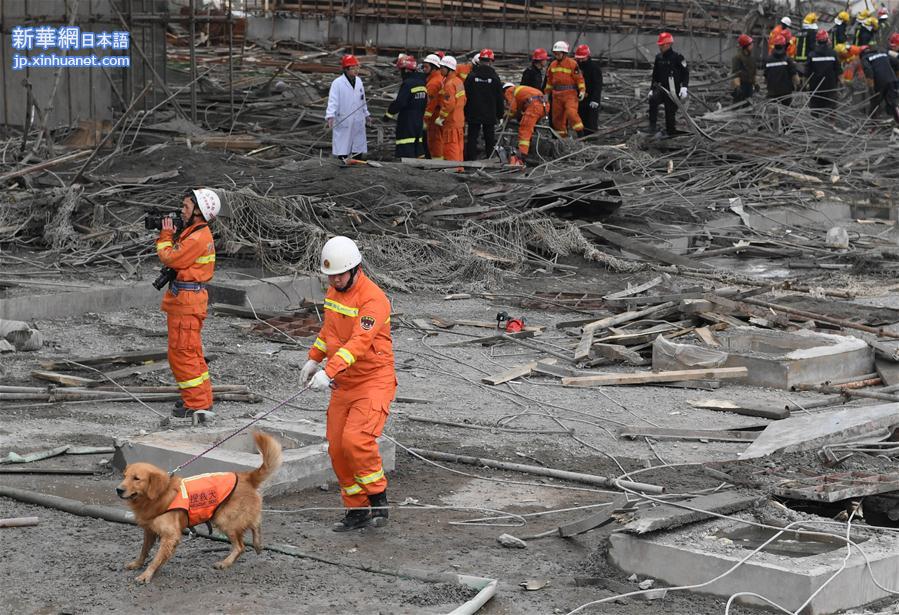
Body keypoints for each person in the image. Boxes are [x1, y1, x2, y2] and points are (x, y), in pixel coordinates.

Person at [299, 236, 396, 532]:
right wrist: (314, 358)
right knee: (338, 447)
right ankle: (356, 510)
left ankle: (378, 498)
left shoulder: (373, 300)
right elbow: (330, 331)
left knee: (357, 440)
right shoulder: (334, 293)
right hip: (345, 381)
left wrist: (329, 371)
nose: (335, 280)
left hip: (372, 381)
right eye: (331, 276)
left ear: (355, 269)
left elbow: (359, 343)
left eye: (340, 275)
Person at [155, 189, 220, 421]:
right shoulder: (196, 232)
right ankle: (200, 398)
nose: (181, 211)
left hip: (186, 304)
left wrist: (164, 236)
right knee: (191, 352)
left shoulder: (197, 237)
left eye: (185, 207)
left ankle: (196, 404)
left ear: (199, 212)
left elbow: (170, 257)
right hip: (187, 302)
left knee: (182, 354)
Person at [326, 55, 371, 161]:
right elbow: (333, 101)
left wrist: (366, 113)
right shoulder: (337, 83)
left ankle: (357, 161)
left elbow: (362, 99)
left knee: (358, 142)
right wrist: (330, 115)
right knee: (343, 144)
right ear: (346, 69)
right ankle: (343, 162)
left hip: (358, 117)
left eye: (357, 67)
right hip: (344, 117)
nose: (356, 70)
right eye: (353, 68)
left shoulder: (359, 81)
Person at [464, 48, 504, 160]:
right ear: (491, 61)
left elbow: (465, 95)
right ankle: (489, 159)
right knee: (489, 138)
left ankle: (470, 160)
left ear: (480, 60)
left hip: (473, 112)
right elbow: (499, 98)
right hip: (489, 113)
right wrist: (500, 115)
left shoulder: (471, 76)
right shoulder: (495, 78)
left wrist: (465, 112)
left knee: (472, 137)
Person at [385, 55, 427, 159]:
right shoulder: (422, 82)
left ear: (406, 70)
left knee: (405, 145)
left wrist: (388, 114)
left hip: (407, 121)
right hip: (419, 120)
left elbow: (400, 102)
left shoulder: (408, 84)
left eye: (401, 71)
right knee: (418, 146)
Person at [648, 32, 689, 135]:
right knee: (653, 100)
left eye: (662, 45)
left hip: (673, 90)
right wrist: (652, 89)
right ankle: (652, 127)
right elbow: (655, 75)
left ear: (668, 44)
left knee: (669, 112)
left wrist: (684, 87)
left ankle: (670, 132)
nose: (660, 47)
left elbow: (685, 73)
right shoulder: (659, 58)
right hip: (662, 88)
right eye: (660, 45)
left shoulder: (678, 57)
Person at [544, 40, 585, 137]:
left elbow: (579, 79)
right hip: (556, 95)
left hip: (570, 94)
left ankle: (581, 135)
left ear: (564, 53)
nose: (556, 55)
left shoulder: (572, 64)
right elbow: (549, 81)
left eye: (558, 54)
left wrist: (582, 91)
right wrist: (546, 93)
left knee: (571, 113)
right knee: (557, 119)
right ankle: (562, 140)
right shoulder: (552, 65)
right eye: (555, 54)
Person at [502, 82, 548, 164]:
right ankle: (530, 150)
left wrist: (506, 118)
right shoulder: (521, 91)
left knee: (525, 129)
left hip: (534, 106)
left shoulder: (508, 91)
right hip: (544, 106)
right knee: (531, 129)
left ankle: (522, 155)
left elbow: (512, 109)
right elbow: (519, 110)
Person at [435, 55, 466, 162]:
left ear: (448, 69)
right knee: (459, 146)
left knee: (450, 146)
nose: (440, 70)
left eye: (442, 68)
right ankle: (459, 167)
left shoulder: (449, 84)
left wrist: (441, 117)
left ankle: (452, 168)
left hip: (451, 121)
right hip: (459, 119)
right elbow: (464, 100)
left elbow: (449, 103)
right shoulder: (458, 81)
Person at [860, 45, 899, 125]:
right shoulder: (883, 53)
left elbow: (869, 73)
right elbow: (897, 63)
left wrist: (871, 89)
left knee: (875, 104)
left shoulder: (865, 58)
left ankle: (873, 127)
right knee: (893, 103)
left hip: (879, 83)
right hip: (892, 80)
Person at [806, 29, 841, 113]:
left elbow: (807, 72)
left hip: (815, 88)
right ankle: (831, 125)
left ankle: (815, 125)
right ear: (827, 40)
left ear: (817, 41)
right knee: (831, 109)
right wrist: (841, 83)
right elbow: (838, 70)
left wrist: (806, 84)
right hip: (830, 87)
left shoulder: (811, 55)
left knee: (815, 110)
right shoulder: (833, 53)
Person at [574, 44, 603, 134]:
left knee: (590, 121)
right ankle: (581, 137)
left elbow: (598, 85)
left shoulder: (594, 68)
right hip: (579, 98)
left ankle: (590, 138)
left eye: (583, 58)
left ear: (588, 56)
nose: (581, 60)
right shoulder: (576, 67)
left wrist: (595, 99)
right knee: (580, 120)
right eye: (579, 59)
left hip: (591, 99)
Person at [421, 54, 445, 159]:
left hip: (433, 116)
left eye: (426, 67)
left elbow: (430, 103)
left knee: (434, 140)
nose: (424, 69)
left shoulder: (433, 83)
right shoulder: (439, 78)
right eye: (424, 66)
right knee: (438, 139)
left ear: (433, 67)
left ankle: (436, 161)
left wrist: (425, 120)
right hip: (438, 114)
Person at [764, 35, 799, 105]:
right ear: (784, 45)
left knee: (773, 112)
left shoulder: (768, 60)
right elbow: (795, 76)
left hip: (772, 92)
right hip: (786, 93)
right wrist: (798, 85)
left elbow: (765, 77)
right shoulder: (788, 60)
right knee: (785, 111)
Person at [731, 34, 757, 105]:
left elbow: (753, 72)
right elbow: (735, 73)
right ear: (746, 46)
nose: (752, 46)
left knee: (748, 105)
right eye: (751, 44)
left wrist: (755, 83)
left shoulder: (751, 58)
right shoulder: (738, 58)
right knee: (737, 105)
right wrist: (738, 87)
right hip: (741, 86)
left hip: (749, 86)